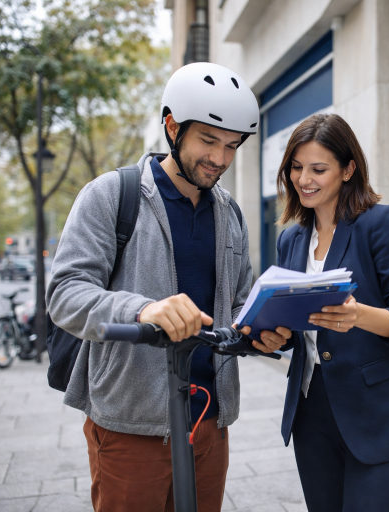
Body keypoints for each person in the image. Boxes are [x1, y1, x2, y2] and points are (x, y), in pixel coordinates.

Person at [47, 62, 290, 512]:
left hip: (209, 419)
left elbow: (239, 302)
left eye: (232, 146)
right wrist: (143, 310)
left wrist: (261, 332)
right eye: (208, 141)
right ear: (172, 126)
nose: (220, 158)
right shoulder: (110, 195)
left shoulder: (230, 212)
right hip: (132, 421)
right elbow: (65, 293)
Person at [275, 113, 389, 511]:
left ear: (348, 170)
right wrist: (269, 332)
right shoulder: (291, 239)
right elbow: (294, 324)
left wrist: (359, 315)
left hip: (380, 413)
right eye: (296, 168)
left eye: (318, 169)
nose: (304, 179)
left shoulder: (380, 223)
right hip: (312, 411)